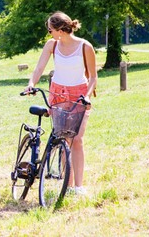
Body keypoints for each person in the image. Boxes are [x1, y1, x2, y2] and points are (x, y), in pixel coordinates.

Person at [25, 11, 97, 196]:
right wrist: (31, 84)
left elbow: (93, 77)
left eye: (50, 29)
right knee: (65, 139)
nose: (49, 33)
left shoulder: (84, 46)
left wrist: (87, 96)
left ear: (59, 30)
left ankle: (79, 186)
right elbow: (39, 67)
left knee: (77, 140)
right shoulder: (52, 45)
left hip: (79, 94)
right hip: (57, 93)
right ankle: (68, 184)